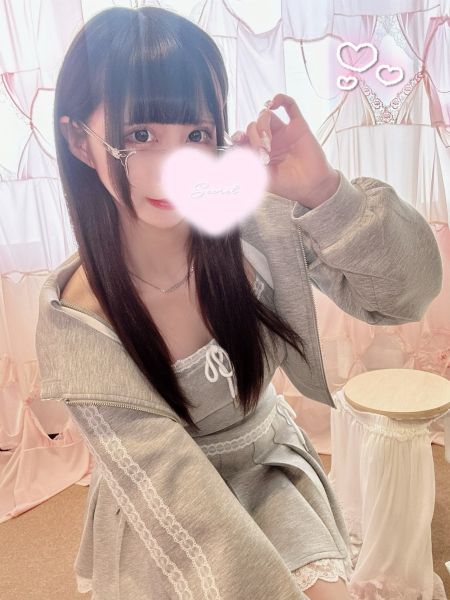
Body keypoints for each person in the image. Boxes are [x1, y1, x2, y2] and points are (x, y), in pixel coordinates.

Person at [37, 5, 442, 600]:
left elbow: (405, 295)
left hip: (271, 470)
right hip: (168, 519)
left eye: (196, 135)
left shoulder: (255, 223)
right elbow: (178, 501)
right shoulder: (79, 321)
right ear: (80, 139)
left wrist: (325, 193)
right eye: (140, 135)